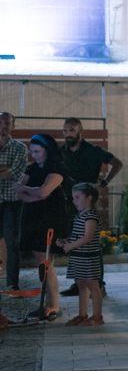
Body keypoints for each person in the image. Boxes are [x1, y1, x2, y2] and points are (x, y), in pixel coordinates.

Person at [60, 117, 121, 298]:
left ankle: (98, 285)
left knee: (91, 243)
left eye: (72, 130)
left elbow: (117, 163)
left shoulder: (93, 150)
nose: (68, 134)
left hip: (88, 201)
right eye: (65, 131)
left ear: (80, 130)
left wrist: (105, 182)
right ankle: (79, 284)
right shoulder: (61, 151)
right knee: (74, 241)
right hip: (68, 201)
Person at [14, 134, 70, 320]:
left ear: (47, 150)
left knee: (45, 263)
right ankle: (48, 304)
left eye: (37, 151)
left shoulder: (56, 168)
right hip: (34, 218)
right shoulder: (32, 168)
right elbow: (19, 192)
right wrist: (35, 195)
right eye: (32, 152)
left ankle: (53, 305)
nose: (34, 155)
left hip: (50, 220)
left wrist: (30, 191)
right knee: (42, 262)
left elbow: (44, 191)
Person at [58, 183, 104, 327]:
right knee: (81, 285)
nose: (74, 201)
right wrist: (66, 241)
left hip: (88, 257)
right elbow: (78, 236)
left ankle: (97, 317)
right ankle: (82, 314)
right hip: (78, 256)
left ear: (89, 198)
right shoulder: (80, 215)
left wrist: (71, 246)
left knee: (93, 285)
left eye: (77, 197)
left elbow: (87, 237)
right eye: (73, 198)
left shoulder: (91, 216)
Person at [0, 112, 28, 291]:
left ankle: (12, 283)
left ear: (13, 126)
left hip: (12, 202)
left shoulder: (20, 147)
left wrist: (8, 171)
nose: (3, 126)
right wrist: (5, 168)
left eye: (7, 123)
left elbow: (16, 173)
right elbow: (9, 171)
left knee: (12, 243)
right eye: (0, 122)